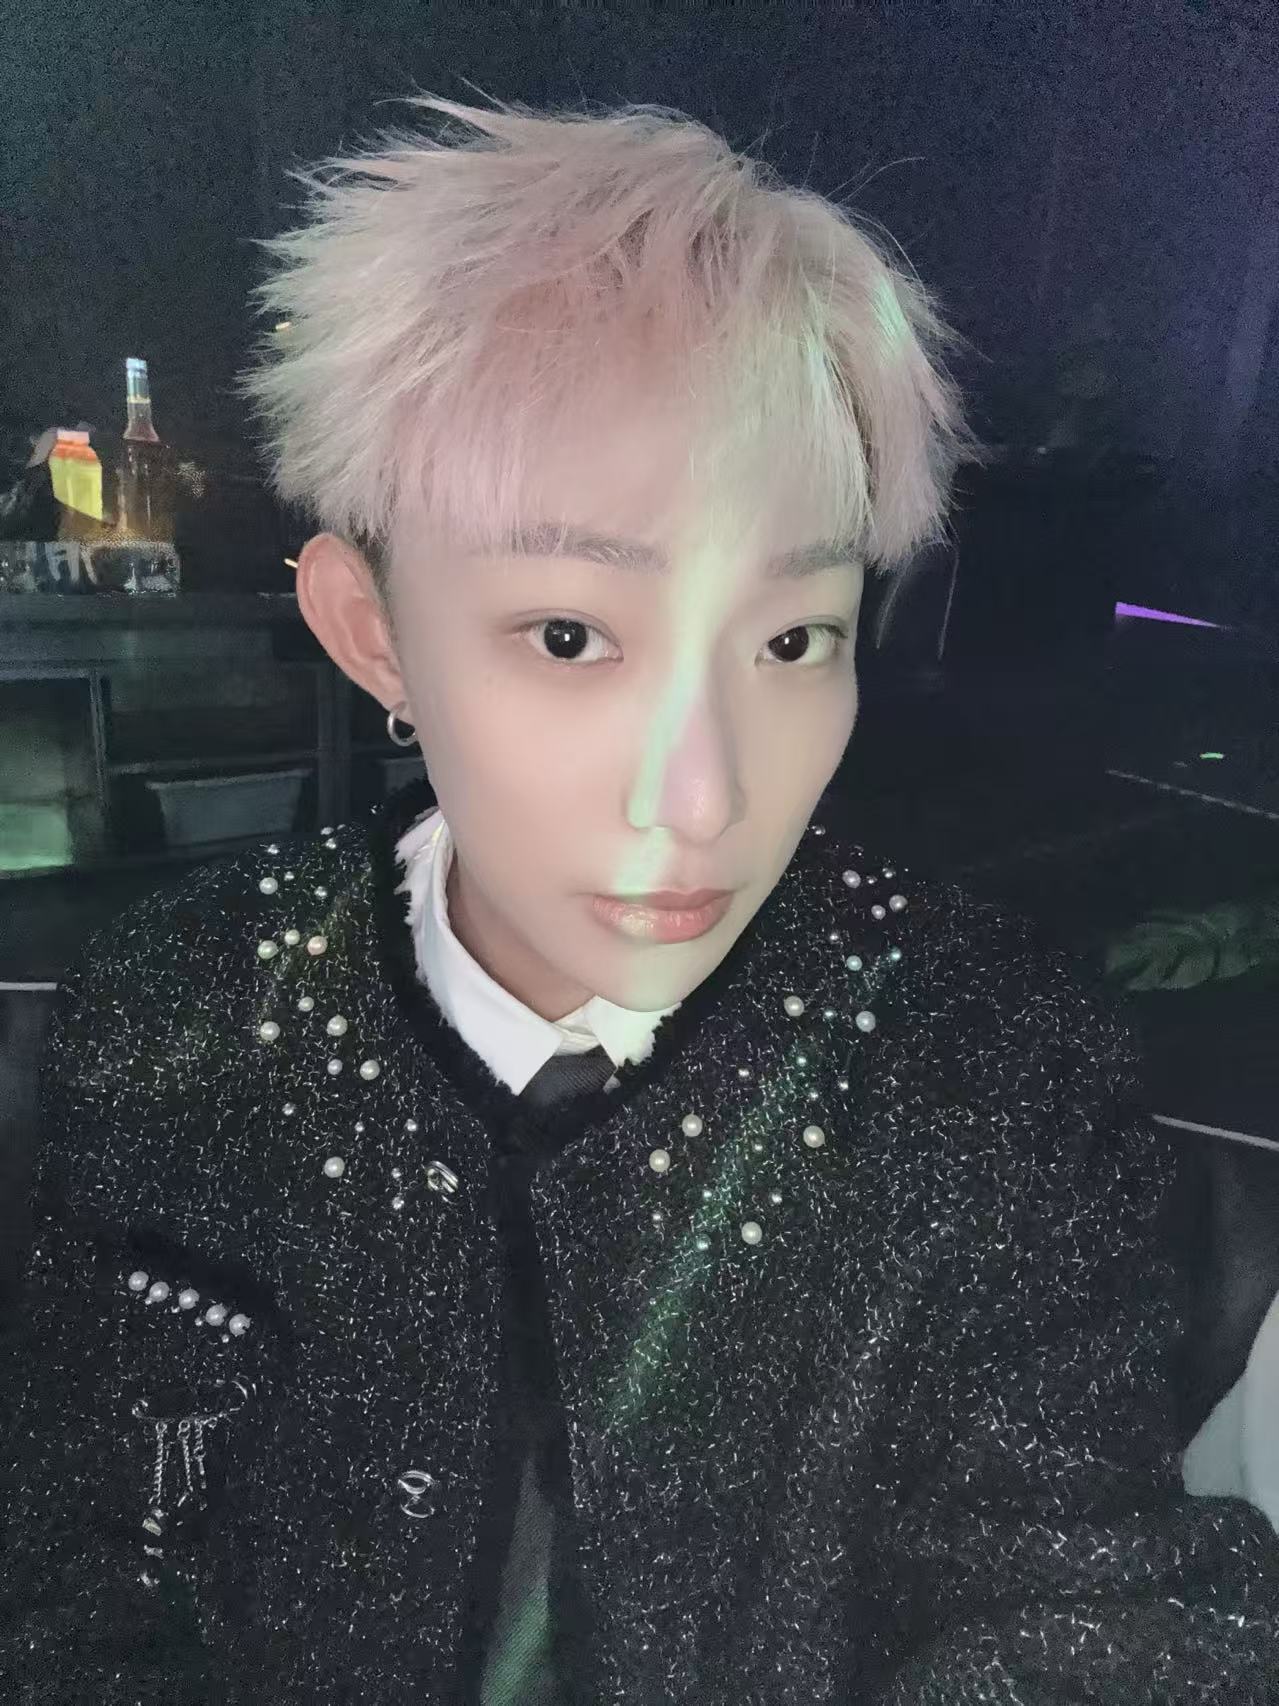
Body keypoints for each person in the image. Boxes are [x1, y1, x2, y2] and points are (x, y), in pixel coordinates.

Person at [3, 92, 1277, 1706]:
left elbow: (1084, 1605)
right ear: (374, 634)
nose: (704, 797)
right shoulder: (180, 1021)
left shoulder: (983, 1069)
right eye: (570, 636)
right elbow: (72, 1578)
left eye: (793, 638)